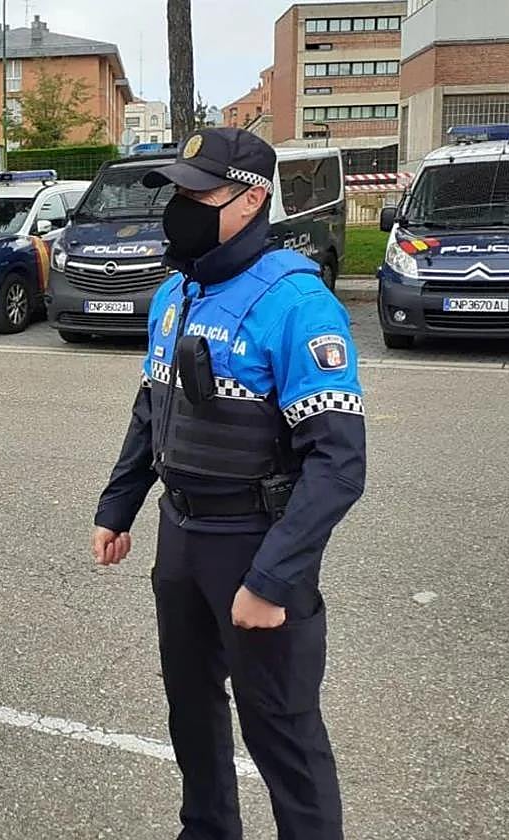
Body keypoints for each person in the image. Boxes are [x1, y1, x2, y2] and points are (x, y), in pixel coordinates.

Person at [91, 127, 366, 840]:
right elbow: (152, 405)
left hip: (254, 541)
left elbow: (338, 464)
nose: (181, 205)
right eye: (177, 191)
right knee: (190, 708)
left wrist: (273, 580)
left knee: (282, 728)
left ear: (253, 200)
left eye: (199, 193)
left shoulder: (298, 304)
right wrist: (118, 506)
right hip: (180, 539)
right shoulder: (175, 292)